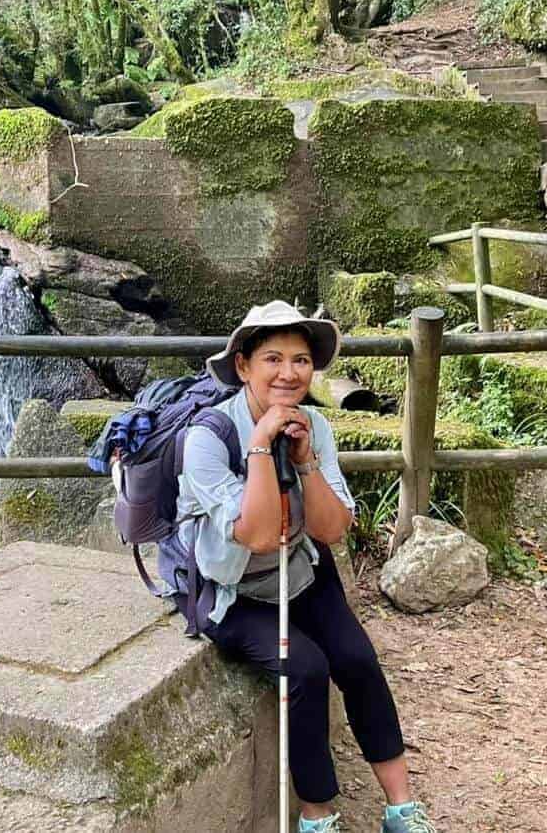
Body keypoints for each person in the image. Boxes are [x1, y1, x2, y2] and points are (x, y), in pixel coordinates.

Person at [165, 300, 437, 833]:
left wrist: (306, 458)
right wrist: (261, 447)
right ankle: (318, 817)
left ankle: (403, 809)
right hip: (234, 590)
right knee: (307, 669)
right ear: (242, 365)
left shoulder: (314, 424)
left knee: (356, 659)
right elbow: (259, 534)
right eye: (272, 359)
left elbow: (332, 530)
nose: (289, 373)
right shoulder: (207, 437)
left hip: (301, 569)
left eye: (301, 360)